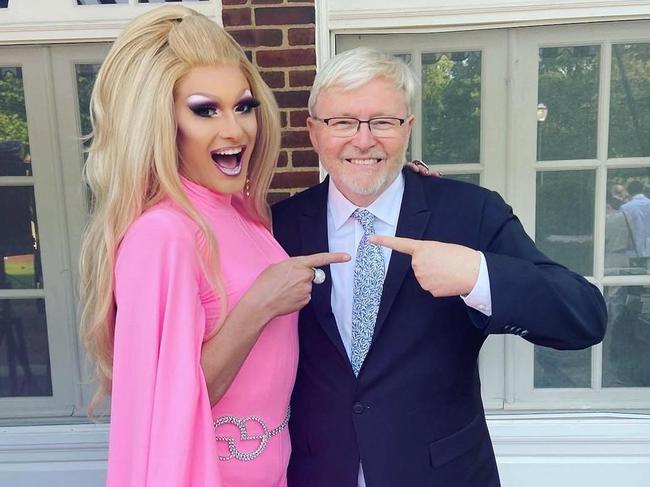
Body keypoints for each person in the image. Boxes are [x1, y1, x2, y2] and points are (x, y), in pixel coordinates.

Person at [271, 47, 608, 487]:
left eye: (383, 122)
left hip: (442, 473)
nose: (364, 139)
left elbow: (584, 318)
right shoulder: (278, 227)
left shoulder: (470, 213)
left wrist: (478, 275)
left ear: (407, 128)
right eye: (343, 122)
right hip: (317, 472)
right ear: (314, 132)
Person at [78, 6, 348, 486]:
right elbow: (167, 411)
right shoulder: (163, 234)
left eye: (243, 106)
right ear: (161, 122)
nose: (236, 130)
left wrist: (392, 187)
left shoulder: (245, 216)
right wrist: (260, 305)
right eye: (206, 109)